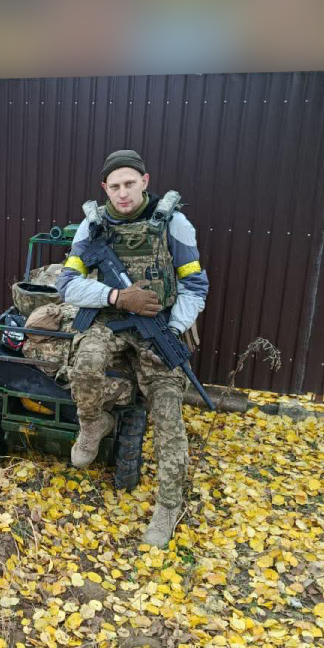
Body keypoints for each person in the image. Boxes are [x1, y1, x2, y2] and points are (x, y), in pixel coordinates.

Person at [57, 149, 209, 547]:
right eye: (115, 186)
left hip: (157, 325)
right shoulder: (92, 227)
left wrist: (173, 329)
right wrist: (117, 297)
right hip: (109, 318)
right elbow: (68, 286)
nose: (123, 193)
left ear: (145, 181)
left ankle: (169, 505)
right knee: (85, 364)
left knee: (168, 411)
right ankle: (93, 424)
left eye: (130, 184)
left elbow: (195, 287)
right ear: (104, 188)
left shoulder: (173, 223)